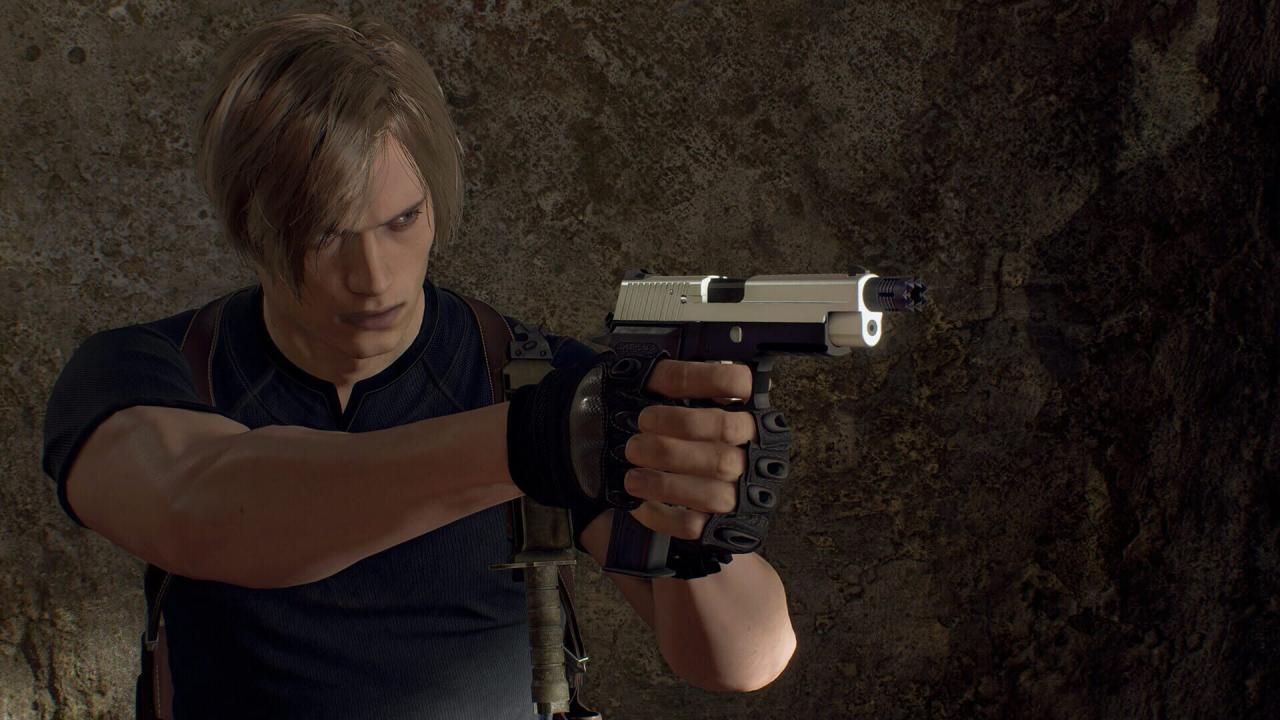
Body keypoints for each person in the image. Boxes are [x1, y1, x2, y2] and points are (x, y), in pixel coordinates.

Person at [41, 10, 796, 719]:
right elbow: (200, 511)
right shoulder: (148, 370)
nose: (373, 277)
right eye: (325, 234)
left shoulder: (535, 378)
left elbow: (740, 660)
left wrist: (699, 506)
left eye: (402, 220)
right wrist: (531, 440)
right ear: (250, 223)